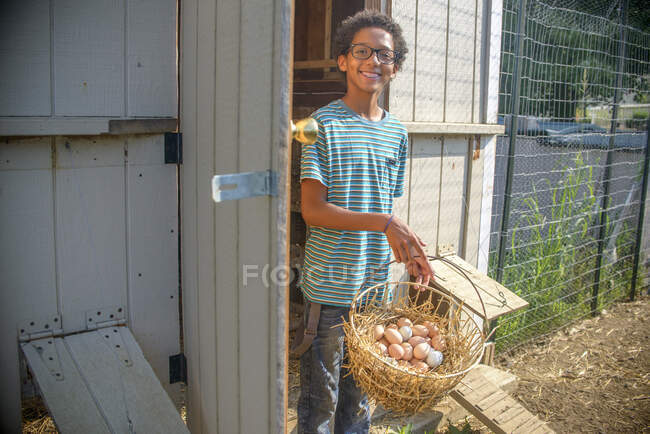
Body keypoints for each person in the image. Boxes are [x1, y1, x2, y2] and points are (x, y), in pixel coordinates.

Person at [297, 10, 435, 434]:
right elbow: (313, 210)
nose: (373, 61)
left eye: (384, 54)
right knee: (321, 405)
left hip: (373, 293)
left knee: (359, 406)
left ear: (395, 67)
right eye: (362, 51)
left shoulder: (397, 133)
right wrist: (384, 224)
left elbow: (386, 208)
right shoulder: (317, 125)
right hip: (329, 293)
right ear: (342, 60)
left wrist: (409, 250)